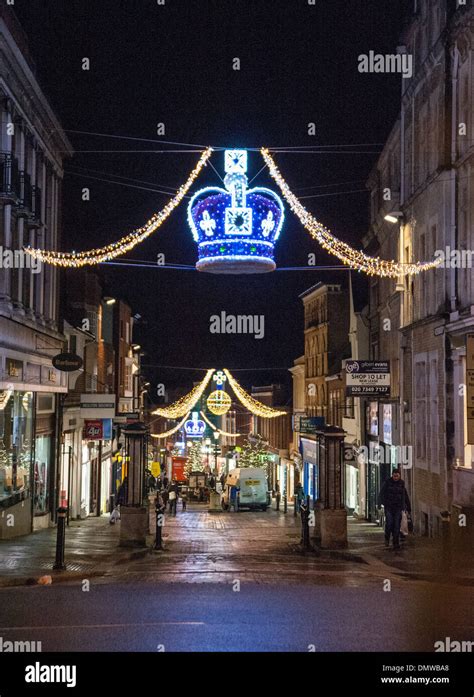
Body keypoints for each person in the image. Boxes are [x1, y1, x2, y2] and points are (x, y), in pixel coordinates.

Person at [378, 468, 411, 550]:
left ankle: (395, 542)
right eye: (394, 476)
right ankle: (387, 538)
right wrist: (380, 504)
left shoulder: (401, 484)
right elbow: (381, 493)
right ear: (392, 475)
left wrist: (408, 507)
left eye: (397, 476)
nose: (395, 477)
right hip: (389, 507)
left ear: (399, 476)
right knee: (389, 523)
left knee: (396, 525)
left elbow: (405, 495)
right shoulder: (387, 483)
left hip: (398, 508)